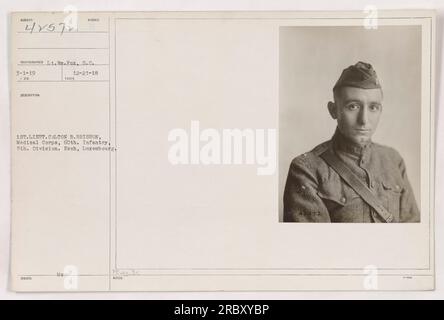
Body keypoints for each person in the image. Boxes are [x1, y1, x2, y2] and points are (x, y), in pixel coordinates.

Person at [283, 61, 420, 223]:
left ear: (380, 110)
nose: (364, 120)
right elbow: (314, 244)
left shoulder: (393, 160)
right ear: (333, 110)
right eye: (353, 106)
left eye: (373, 107)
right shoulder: (307, 169)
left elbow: (412, 232)